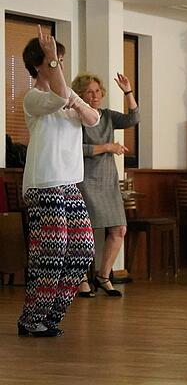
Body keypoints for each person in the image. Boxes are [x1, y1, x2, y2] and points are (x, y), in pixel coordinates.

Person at [17, 27, 100, 337]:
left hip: (69, 182)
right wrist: (52, 62)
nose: (60, 65)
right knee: (52, 250)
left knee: (82, 249)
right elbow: (60, 96)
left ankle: (52, 315)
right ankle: (31, 318)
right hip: (44, 181)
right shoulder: (33, 98)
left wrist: (79, 105)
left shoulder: (69, 96)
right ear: (40, 65)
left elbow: (94, 119)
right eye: (55, 61)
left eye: (61, 59)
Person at [72, 72, 139, 297]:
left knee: (119, 229)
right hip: (85, 179)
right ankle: (81, 278)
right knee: (85, 232)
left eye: (98, 91)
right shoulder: (75, 117)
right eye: (89, 92)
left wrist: (128, 92)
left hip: (108, 180)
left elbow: (133, 119)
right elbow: (76, 149)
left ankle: (103, 276)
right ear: (80, 95)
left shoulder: (107, 116)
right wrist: (107, 147)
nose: (95, 96)